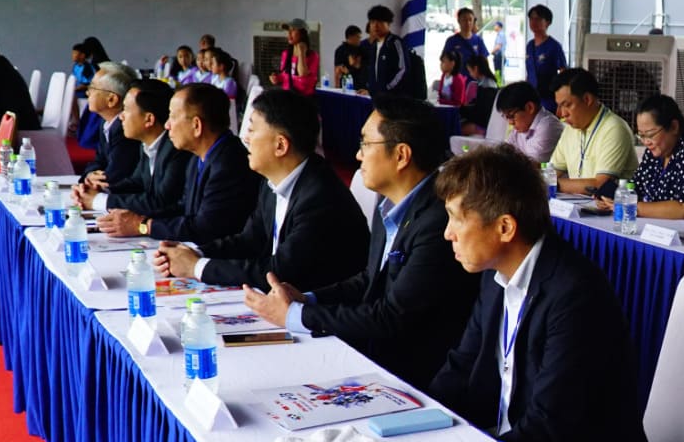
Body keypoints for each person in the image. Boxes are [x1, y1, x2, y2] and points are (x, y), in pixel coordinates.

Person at [429, 144, 663, 442]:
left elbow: (550, 426)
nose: (448, 234)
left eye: (456, 219)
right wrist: (422, 427)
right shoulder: (497, 277)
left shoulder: (574, 293)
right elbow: (461, 368)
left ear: (504, 227)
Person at [244, 96, 480, 387]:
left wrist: (296, 315)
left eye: (366, 144)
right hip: (378, 357)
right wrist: (308, 299)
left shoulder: (438, 222)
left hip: (417, 377)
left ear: (401, 155)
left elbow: (391, 317)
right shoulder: (390, 204)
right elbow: (369, 280)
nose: (358, 155)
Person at [155, 89, 368, 291]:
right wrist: (194, 253)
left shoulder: (320, 197)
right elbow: (249, 240)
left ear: (280, 145)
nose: (246, 138)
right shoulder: (274, 181)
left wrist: (196, 267)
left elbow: (281, 271)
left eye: (251, 130)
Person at [105, 82, 260, 243]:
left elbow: (205, 228)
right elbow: (183, 208)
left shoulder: (229, 163)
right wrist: (137, 219)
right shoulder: (197, 157)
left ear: (196, 125)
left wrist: (143, 226)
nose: (167, 125)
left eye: (172, 117)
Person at [592, 94, 684, 228]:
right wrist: (611, 198)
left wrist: (632, 207)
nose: (646, 142)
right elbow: (635, 189)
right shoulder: (654, 153)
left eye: (650, 134)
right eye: (641, 136)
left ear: (674, 127)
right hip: (660, 230)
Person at [74, 80, 190, 228]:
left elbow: (161, 201)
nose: (121, 116)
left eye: (126, 110)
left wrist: (99, 201)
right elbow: (136, 182)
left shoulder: (176, 149)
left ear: (149, 119)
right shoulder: (147, 143)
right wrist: (99, 190)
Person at [547, 68, 638, 194]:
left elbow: (600, 184)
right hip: (578, 203)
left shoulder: (614, 128)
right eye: (559, 106)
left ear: (587, 99)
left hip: (613, 205)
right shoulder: (570, 129)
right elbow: (551, 172)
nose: (562, 114)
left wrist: (552, 184)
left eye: (567, 105)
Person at [80, 62, 141, 192]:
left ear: (112, 100)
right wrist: (90, 175)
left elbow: (115, 177)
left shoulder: (125, 130)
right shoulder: (106, 122)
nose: (87, 92)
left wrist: (91, 183)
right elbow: (98, 160)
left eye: (92, 88)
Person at [363, 5, 426, 100]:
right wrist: (370, 90)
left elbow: (403, 70)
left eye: (380, 22)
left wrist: (386, 88)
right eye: (372, 22)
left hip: (394, 98)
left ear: (388, 24)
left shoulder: (396, 43)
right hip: (378, 98)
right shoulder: (374, 46)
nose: (375, 26)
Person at [495, 81, 564, 164]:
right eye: (506, 117)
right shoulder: (522, 126)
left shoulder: (548, 126)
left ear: (530, 107)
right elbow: (504, 152)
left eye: (511, 116)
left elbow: (532, 165)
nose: (510, 122)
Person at [524, 4, 567, 113]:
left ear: (547, 22)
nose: (534, 22)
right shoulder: (529, 46)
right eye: (531, 19)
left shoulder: (554, 46)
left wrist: (560, 99)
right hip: (531, 97)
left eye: (538, 19)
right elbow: (529, 72)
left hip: (548, 98)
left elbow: (563, 72)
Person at [268, 19, 318, 96]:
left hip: (303, 98)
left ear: (303, 33)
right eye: (288, 30)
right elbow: (285, 75)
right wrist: (277, 78)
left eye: (293, 30)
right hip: (287, 95)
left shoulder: (313, 56)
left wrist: (301, 51)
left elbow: (302, 74)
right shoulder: (286, 54)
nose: (289, 33)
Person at [442, 7, 489, 74]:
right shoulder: (451, 41)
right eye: (464, 20)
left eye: (470, 20)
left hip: (475, 79)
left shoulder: (478, 40)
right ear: (459, 21)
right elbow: (444, 63)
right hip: (457, 78)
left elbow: (485, 61)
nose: (468, 23)